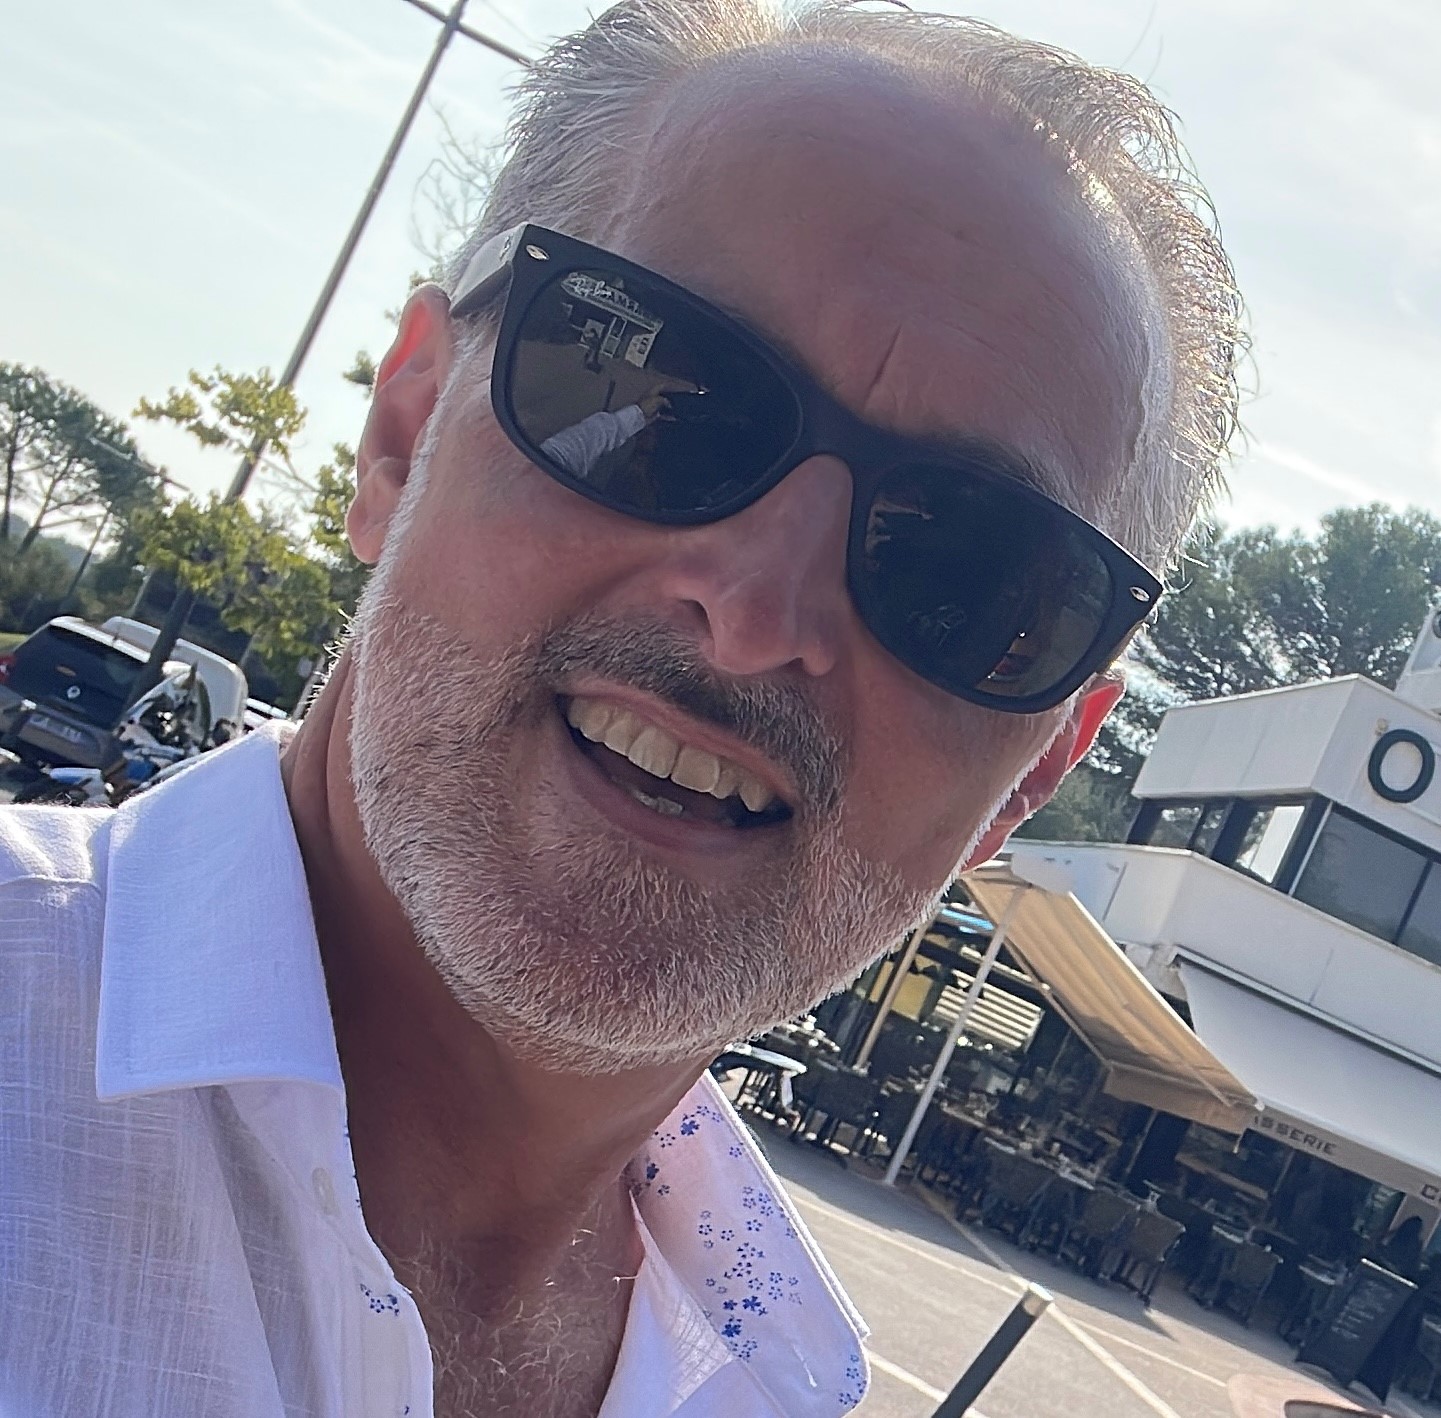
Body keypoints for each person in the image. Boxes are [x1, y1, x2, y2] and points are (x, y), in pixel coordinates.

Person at [0, 1, 1243, 1414]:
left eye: (967, 567)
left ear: (1029, 779)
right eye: (659, 397)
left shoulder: (769, 1380)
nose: (757, 612)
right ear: (405, 432)